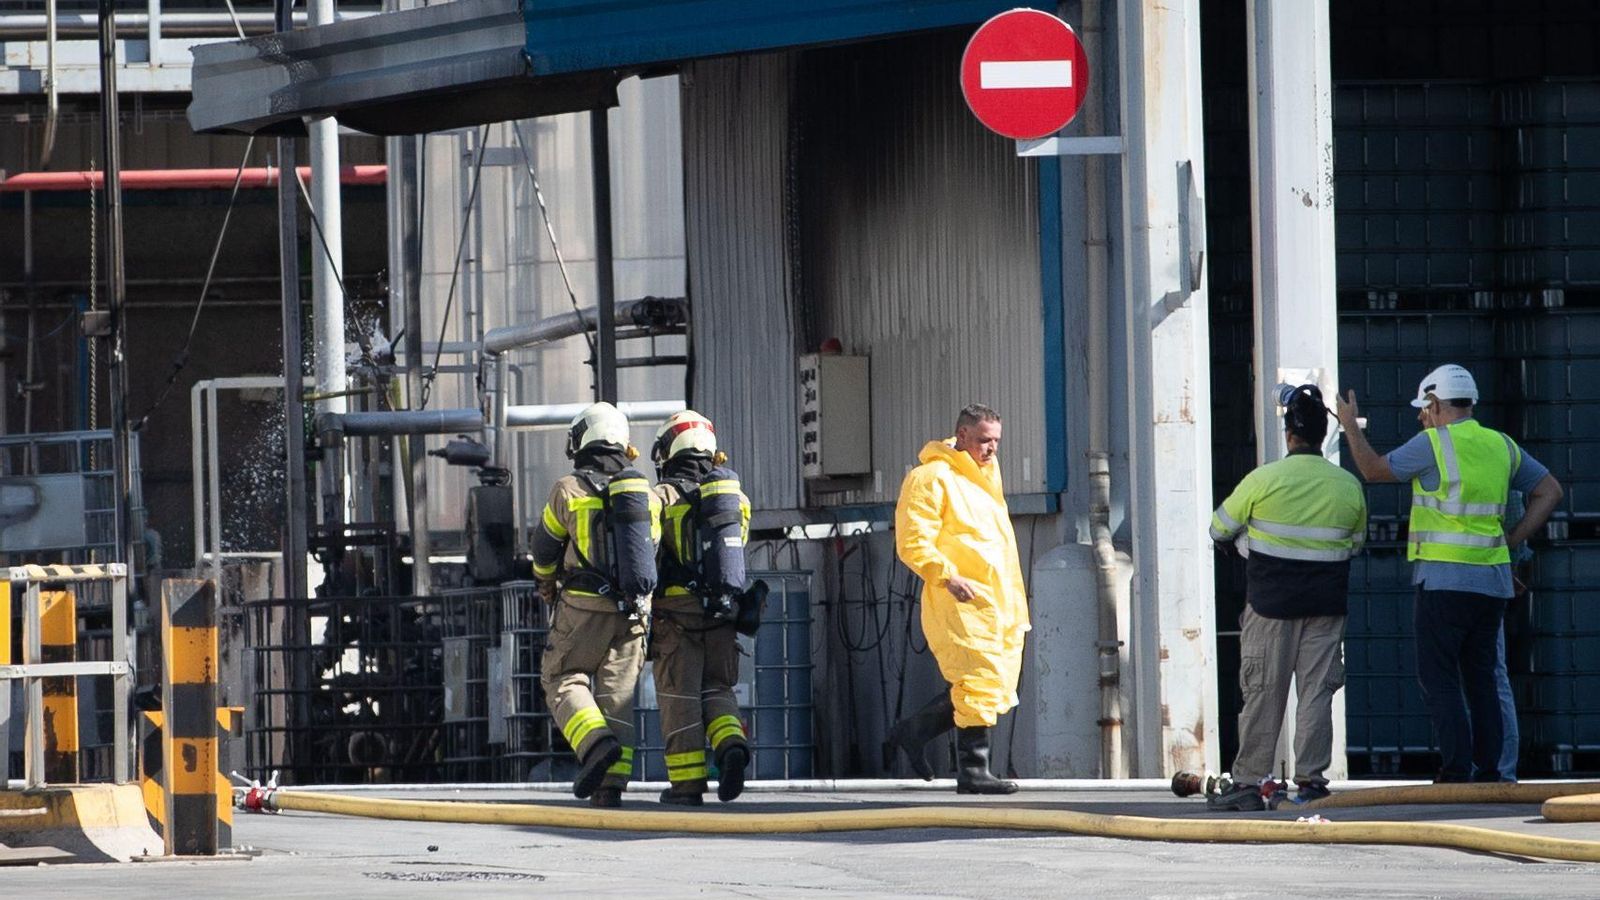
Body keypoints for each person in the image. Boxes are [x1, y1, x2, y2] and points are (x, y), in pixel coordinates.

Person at [1337, 364, 1563, 783]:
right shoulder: (1502, 445)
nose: (1423, 415)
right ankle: (1491, 770)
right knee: (1481, 678)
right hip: (1492, 582)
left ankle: (1457, 768)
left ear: (1436, 403)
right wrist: (1511, 540)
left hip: (1444, 582)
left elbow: (1372, 470)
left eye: (1425, 407)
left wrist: (1350, 426)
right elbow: (1550, 490)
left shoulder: (1433, 444)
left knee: (1439, 677)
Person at [1207, 384, 1368, 811]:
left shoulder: (1264, 479)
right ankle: (1312, 781)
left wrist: (1250, 541)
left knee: (1263, 690)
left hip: (1270, 605)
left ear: (1289, 434)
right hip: (1326, 606)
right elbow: (1355, 543)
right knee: (1316, 693)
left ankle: (1246, 781)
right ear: (1321, 436)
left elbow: (1219, 528)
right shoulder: (1347, 486)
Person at [887, 403, 1029, 795]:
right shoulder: (931, 478)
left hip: (996, 599)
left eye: (996, 441)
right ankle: (972, 770)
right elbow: (914, 540)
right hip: (958, 598)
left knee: (995, 684)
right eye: (984, 440)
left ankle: (913, 732)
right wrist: (947, 576)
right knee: (978, 680)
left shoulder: (984, 477)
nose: (992, 449)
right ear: (962, 436)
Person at [532, 402, 661, 807]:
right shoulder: (647, 496)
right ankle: (611, 788)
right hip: (634, 613)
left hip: (582, 609)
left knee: (563, 678)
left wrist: (546, 584)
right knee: (616, 696)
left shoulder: (567, 490)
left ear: (582, 440)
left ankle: (593, 744)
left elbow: (545, 551)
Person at [648, 410, 754, 807]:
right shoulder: (734, 498)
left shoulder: (661, 498)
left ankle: (687, 786)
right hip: (723, 611)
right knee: (718, 687)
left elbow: (648, 555)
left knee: (680, 698)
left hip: (676, 614)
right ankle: (730, 745)